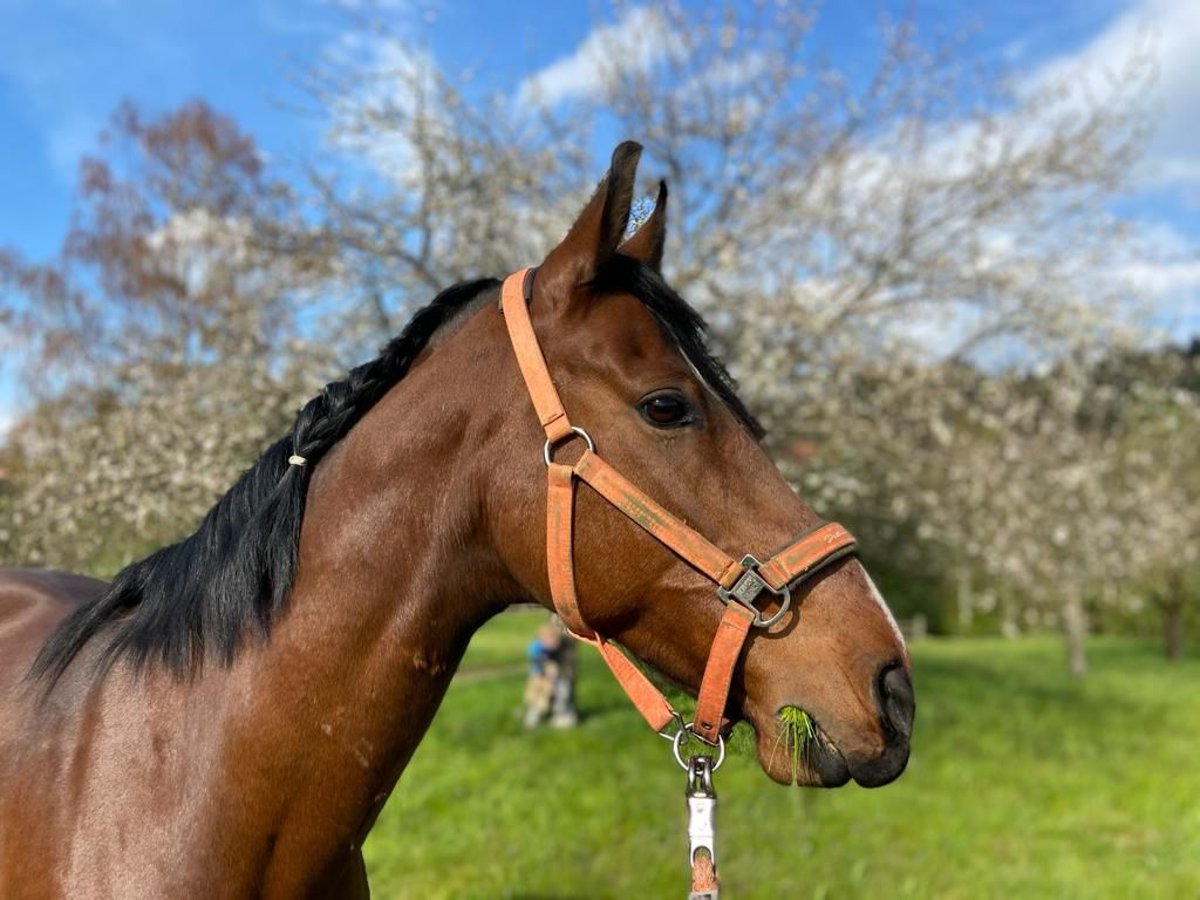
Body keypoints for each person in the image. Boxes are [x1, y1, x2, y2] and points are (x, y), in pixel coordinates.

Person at [523, 616, 578, 729]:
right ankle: (535, 715)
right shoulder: (537, 648)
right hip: (539, 678)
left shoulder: (558, 651)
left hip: (551, 679)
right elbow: (534, 655)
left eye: (555, 641)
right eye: (549, 640)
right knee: (538, 697)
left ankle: (560, 714)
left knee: (558, 694)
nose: (553, 643)